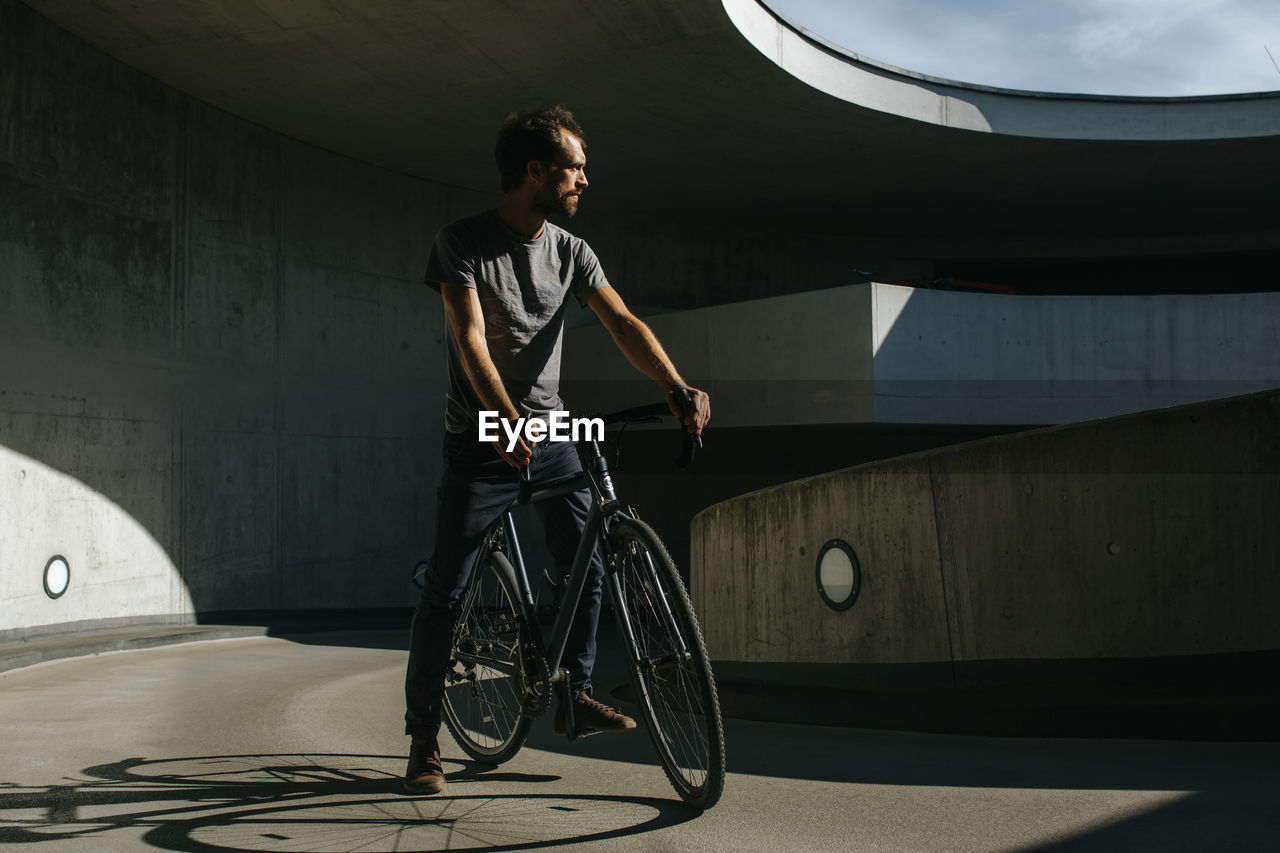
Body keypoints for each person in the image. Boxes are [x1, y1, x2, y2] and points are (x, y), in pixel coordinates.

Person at [403, 105, 710, 795]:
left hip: (555, 432)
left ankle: (572, 691)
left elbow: (623, 321)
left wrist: (675, 384)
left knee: (593, 550)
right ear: (535, 171)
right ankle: (424, 736)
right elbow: (470, 338)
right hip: (483, 436)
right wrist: (506, 419)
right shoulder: (462, 243)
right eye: (574, 166)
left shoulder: (572, 251)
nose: (584, 180)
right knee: (447, 592)